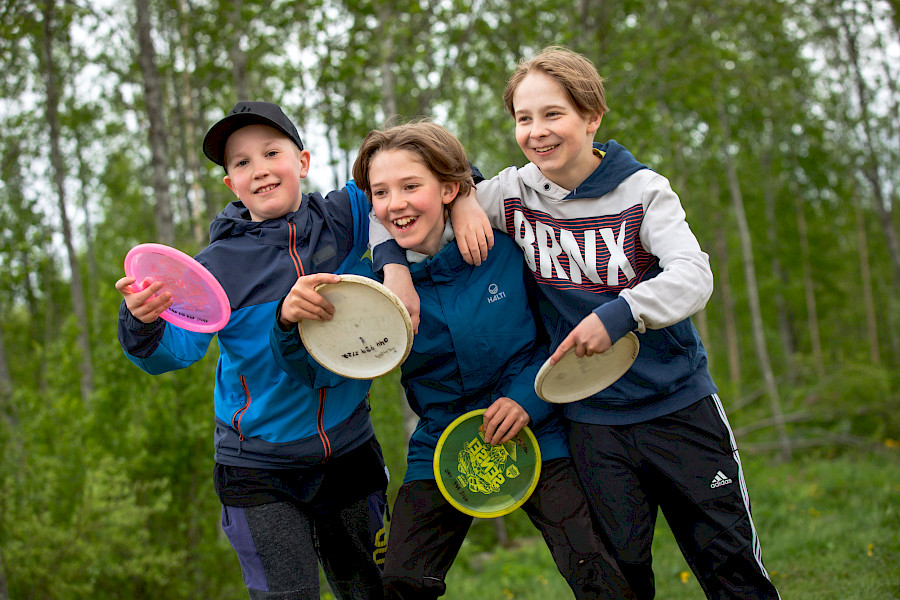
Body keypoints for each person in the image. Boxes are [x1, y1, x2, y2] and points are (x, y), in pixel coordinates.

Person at [396, 48, 782, 600]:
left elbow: (695, 276)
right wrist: (459, 211)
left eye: (553, 114)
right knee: (622, 576)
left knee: (730, 567)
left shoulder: (645, 191)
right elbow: (422, 203)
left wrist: (621, 312)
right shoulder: (511, 192)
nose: (536, 132)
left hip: (677, 406)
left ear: (591, 115)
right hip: (591, 422)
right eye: (523, 119)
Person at [297, 120, 634, 599]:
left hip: (535, 425)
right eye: (381, 192)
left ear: (450, 188)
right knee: (401, 582)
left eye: (411, 186)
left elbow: (555, 335)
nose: (396, 204)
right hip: (440, 443)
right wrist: (292, 323)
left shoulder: (506, 247)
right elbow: (326, 359)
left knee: (594, 565)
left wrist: (525, 402)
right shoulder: (370, 287)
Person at [116, 101, 414, 599]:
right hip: (258, 468)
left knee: (368, 590)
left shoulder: (346, 216)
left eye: (270, 152)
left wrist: (465, 200)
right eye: (241, 162)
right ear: (231, 185)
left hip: (349, 452)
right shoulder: (215, 268)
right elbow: (173, 352)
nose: (258, 169)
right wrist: (141, 322)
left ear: (303, 162)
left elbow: (415, 169)